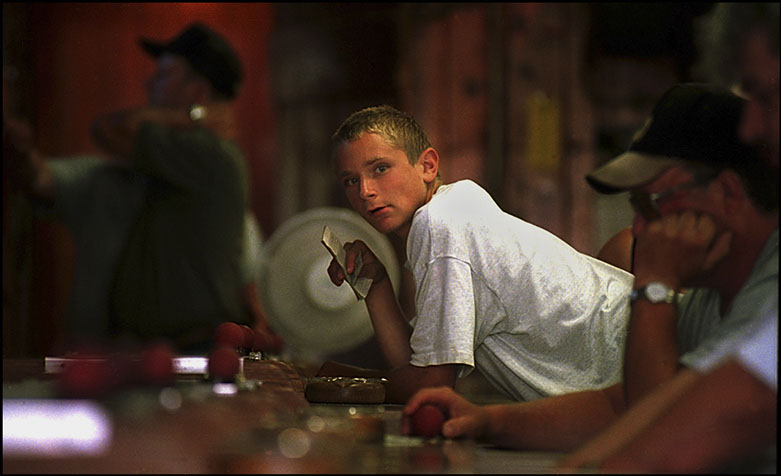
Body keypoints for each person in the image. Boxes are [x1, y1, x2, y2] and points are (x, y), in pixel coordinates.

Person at [401, 84, 778, 459]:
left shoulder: (770, 298)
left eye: (656, 203)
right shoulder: (706, 301)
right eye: (637, 205)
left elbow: (660, 445)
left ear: (728, 194)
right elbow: (622, 408)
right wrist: (489, 421)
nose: (641, 229)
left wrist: (655, 287)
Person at [322, 104, 634, 404]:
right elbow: (417, 365)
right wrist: (376, 285)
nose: (365, 191)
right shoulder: (454, 208)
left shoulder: (441, 221)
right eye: (351, 180)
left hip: (643, 353)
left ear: (427, 166)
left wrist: (330, 379)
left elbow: (431, 385)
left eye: (380, 168)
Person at [3, 23, 277, 353]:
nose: (151, 83)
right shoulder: (143, 173)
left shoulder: (213, 155)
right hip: (141, 352)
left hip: (194, 351)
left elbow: (111, 129)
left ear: (198, 91)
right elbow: (47, 178)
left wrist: (190, 118)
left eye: (165, 75)